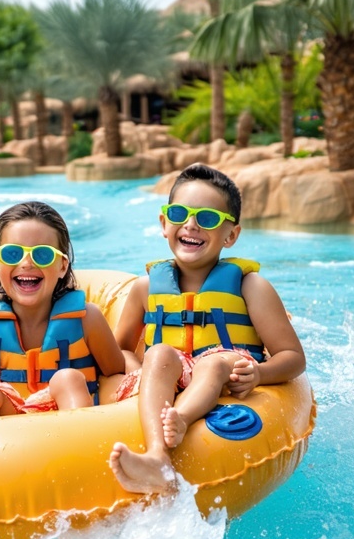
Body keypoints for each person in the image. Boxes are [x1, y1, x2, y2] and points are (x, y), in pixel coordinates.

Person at [109, 164, 306, 493]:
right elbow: (121, 351)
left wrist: (258, 374)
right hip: (173, 372)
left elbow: (293, 357)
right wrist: (136, 367)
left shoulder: (250, 287)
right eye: (179, 213)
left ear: (231, 235)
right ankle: (158, 457)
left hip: (226, 373)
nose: (191, 225)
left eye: (208, 218)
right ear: (164, 223)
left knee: (213, 362)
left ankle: (181, 419)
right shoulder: (145, 288)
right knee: (157, 353)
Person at [0, 201, 125, 417]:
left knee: (68, 379)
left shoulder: (87, 319)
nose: (27, 263)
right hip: (3, 432)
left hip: (68, 427)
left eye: (42, 255)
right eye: (12, 254)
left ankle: (80, 443)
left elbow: (115, 376)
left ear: (63, 266)